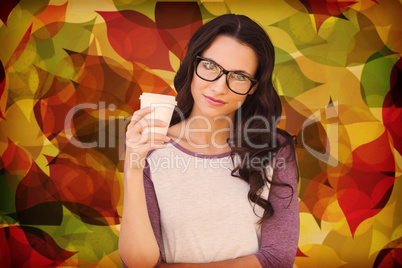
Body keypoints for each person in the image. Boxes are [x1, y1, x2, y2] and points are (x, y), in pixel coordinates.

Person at [119, 14, 299, 268]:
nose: (218, 87)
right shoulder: (150, 147)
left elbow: (277, 259)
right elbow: (139, 263)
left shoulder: (275, 150)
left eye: (239, 76)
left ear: (253, 87)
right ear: (193, 64)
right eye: (211, 66)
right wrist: (133, 167)